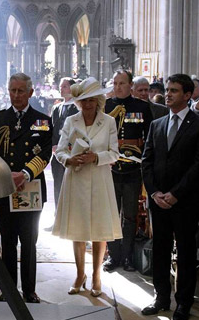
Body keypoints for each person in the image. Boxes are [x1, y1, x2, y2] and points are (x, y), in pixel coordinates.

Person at [141, 74, 199, 320]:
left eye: (174, 91)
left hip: (185, 201)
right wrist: (155, 192)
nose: (167, 94)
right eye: (167, 90)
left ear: (187, 95)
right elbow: (147, 161)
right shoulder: (157, 124)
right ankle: (161, 298)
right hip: (159, 201)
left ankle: (183, 304)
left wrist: (176, 194)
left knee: (186, 253)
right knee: (160, 250)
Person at [0, 73, 52, 303]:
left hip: (30, 189)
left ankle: (30, 290)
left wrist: (24, 174)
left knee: (29, 242)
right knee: (8, 242)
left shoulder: (42, 120)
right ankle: (9, 289)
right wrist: (7, 175)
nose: (16, 95)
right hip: (5, 189)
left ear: (30, 92)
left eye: (21, 91)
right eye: (12, 90)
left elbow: (45, 153)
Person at [53, 77, 121, 297]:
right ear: (78, 102)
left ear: (99, 101)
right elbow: (60, 150)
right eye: (84, 100)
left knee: (99, 229)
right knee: (78, 228)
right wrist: (68, 160)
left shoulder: (108, 122)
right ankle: (79, 274)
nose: (88, 104)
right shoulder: (71, 120)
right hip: (76, 177)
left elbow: (114, 153)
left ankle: (96, 275)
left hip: (99, 179)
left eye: (92, 100)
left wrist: (96, 157)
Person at [103, 70, 153, 272]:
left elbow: (149, 138)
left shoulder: (142, 107)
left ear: (130, 85)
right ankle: (113, 255)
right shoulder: (106, 106)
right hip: (111, 167)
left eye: (122, 83)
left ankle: (127, 257)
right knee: (111, 214)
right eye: (115, 83)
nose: (118, 87)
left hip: (133, 168)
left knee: (130, 216)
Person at [49, 78, 78, 214]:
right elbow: (53, 129)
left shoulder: (78, 107)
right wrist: (53, 145)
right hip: (57, 152)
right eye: (60, 87)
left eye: (65, 86)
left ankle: (71, 217)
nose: (61, 89)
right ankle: (57, 215)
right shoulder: (56, 108)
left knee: (72, 186)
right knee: (58, 184)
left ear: (72, 88)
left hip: (72, 151)